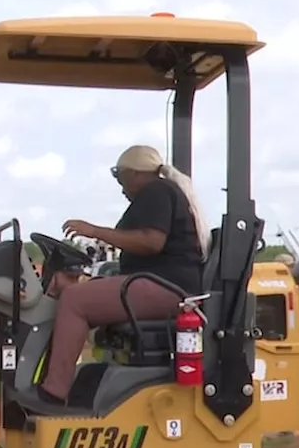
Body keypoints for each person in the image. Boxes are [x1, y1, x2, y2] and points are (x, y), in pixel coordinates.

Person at [27, 144, 208, 406]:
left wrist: (94, 231)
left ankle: (53, 393)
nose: (120, 185)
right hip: (162, 284)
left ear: (134, 173)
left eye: (120, 177)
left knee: (75, 301)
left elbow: (151, 242)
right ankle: (57, 384)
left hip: (169, 288)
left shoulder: (157, 191)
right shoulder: (160, 194)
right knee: (75, 293)